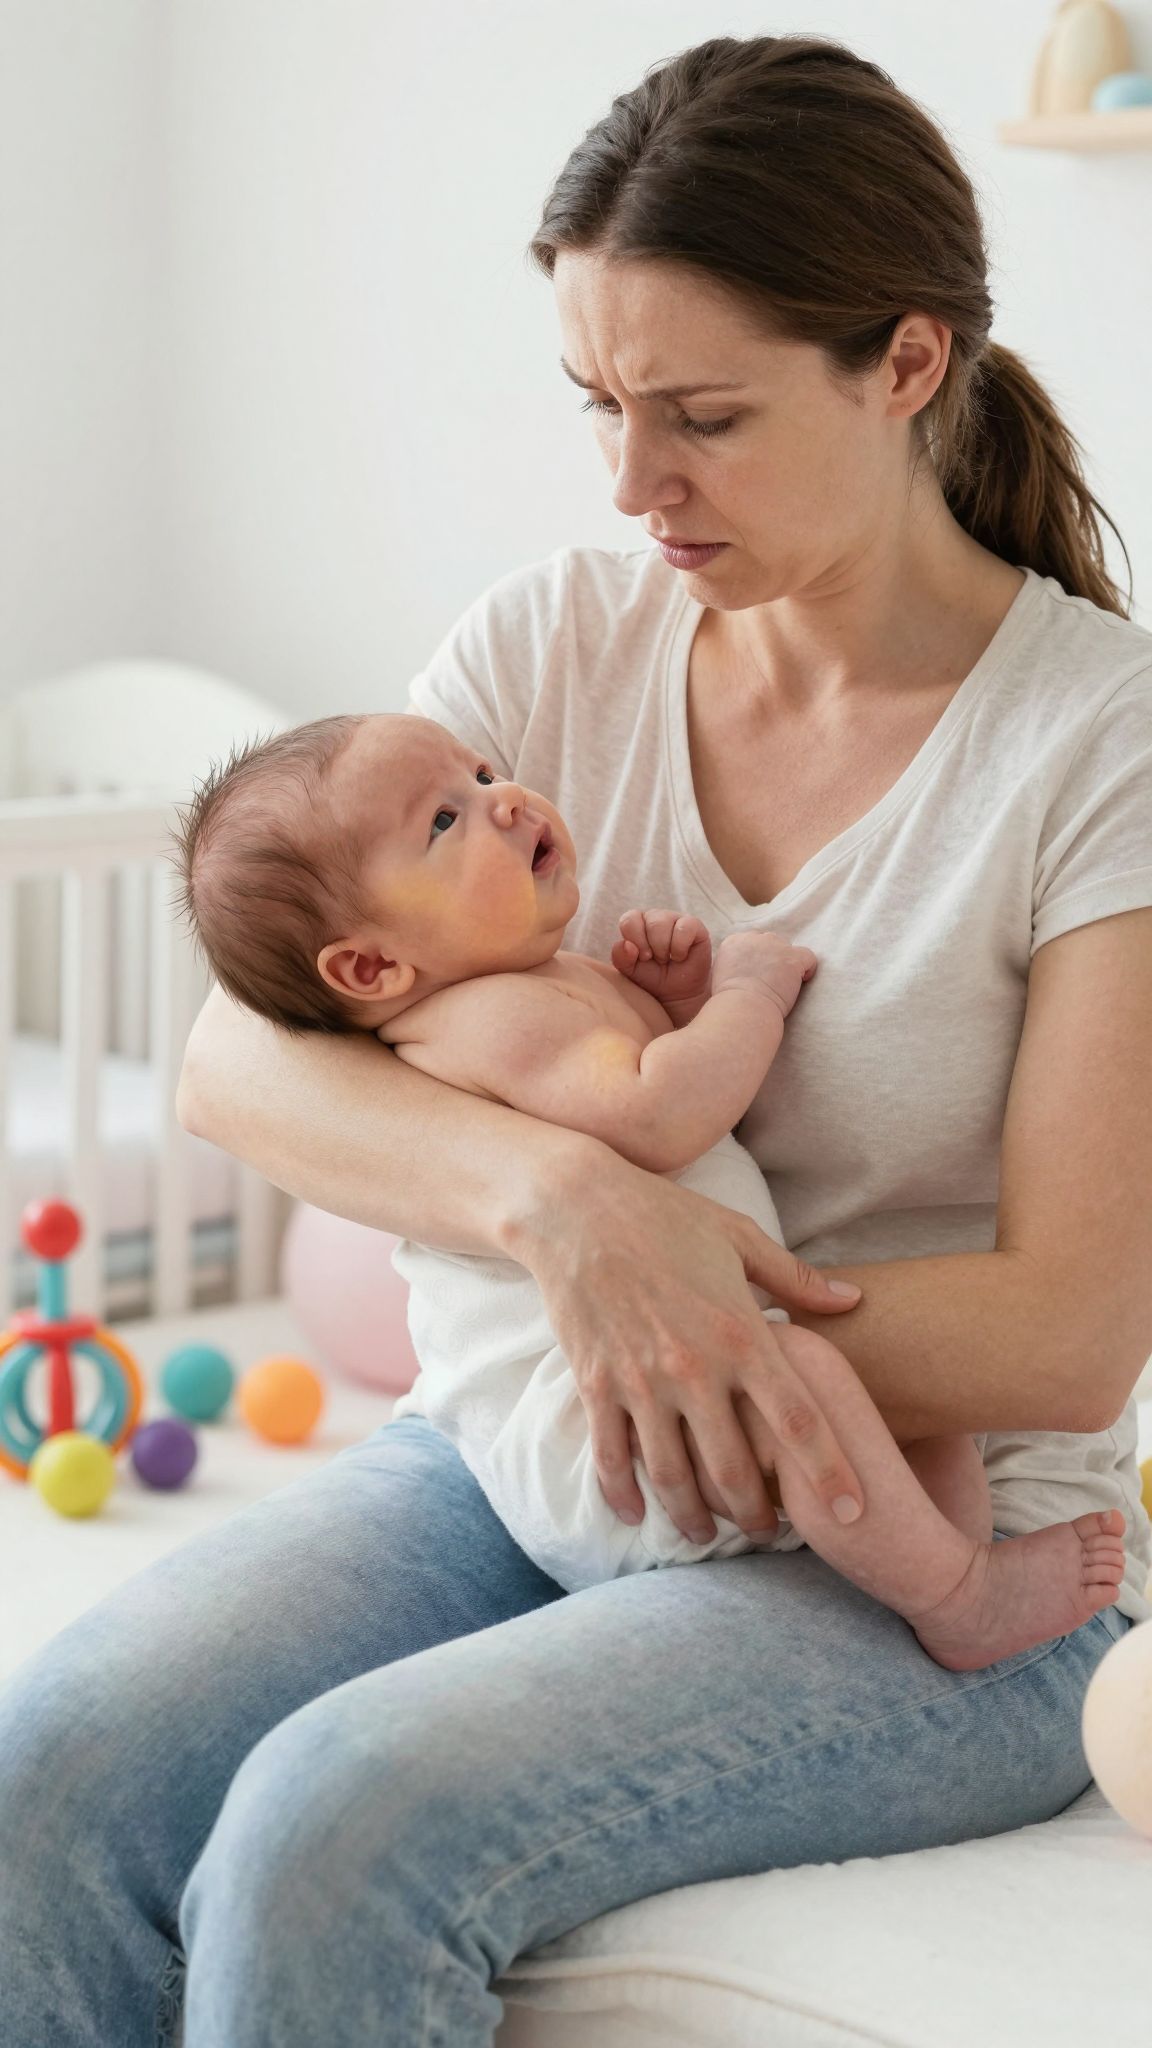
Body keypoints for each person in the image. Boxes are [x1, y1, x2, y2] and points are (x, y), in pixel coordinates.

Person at [2, 31, 1150, 2048]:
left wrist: (690, 1312)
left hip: (937, 1532)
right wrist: (568, 1209)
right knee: (51, 1767)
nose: (632, 484)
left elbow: (1067, 1329)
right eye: (599, 406)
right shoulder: (556, 641)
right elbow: (237, 1061)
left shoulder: (1096, 744)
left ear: (905, 363)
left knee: (332, 1832)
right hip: (521, 1455)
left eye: (700, 416)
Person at [166, 706, 1130, 1669]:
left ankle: (935, 1563)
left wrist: (667, 1005)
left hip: (647, 1388)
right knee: (813, 1377)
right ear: (372, 965)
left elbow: (631, 1098)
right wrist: (745, 996)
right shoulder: (486, 1019)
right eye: (444, 822)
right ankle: (956, 1596)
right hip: (602, 1433)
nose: (506, 802)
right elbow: (660, 1115)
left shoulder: (532, 984)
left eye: (483, 774)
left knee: (916, 1417)